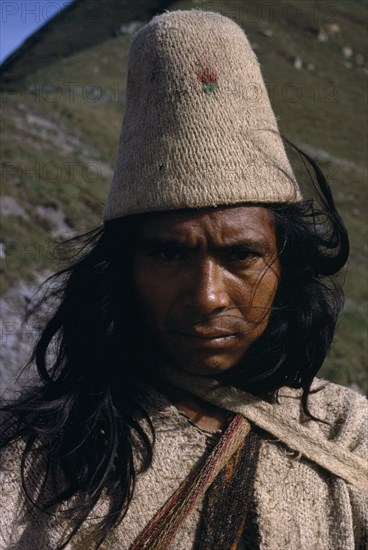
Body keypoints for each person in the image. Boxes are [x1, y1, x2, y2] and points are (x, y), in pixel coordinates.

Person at [0, 9, 367, 550]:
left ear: (287, 265)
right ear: (123, 269)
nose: (208, 297)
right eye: (169, 255)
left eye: (243, 255)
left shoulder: (348, 435)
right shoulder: (40, 461)